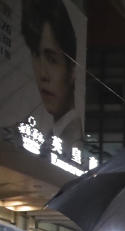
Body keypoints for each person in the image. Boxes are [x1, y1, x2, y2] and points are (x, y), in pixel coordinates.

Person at [20, 0, 82, 145]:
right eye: (36, 55)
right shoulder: (54, 134)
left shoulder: (72, 140)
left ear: (72, 69)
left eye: (52, 60)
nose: (43, 74)